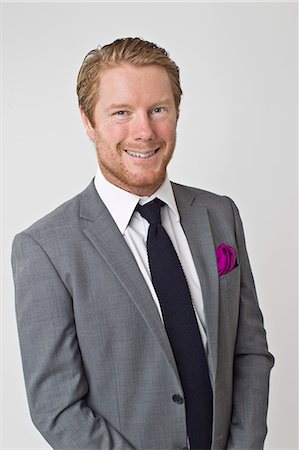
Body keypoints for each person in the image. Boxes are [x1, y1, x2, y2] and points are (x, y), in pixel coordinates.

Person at [11, 37, 274, 450]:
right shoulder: (44, 249)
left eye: (158, 110)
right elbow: (57, 407)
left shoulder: (220, 215)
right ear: (87, 121)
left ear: (176, 113)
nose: (144, 131)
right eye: (121, 112)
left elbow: (250, 352)